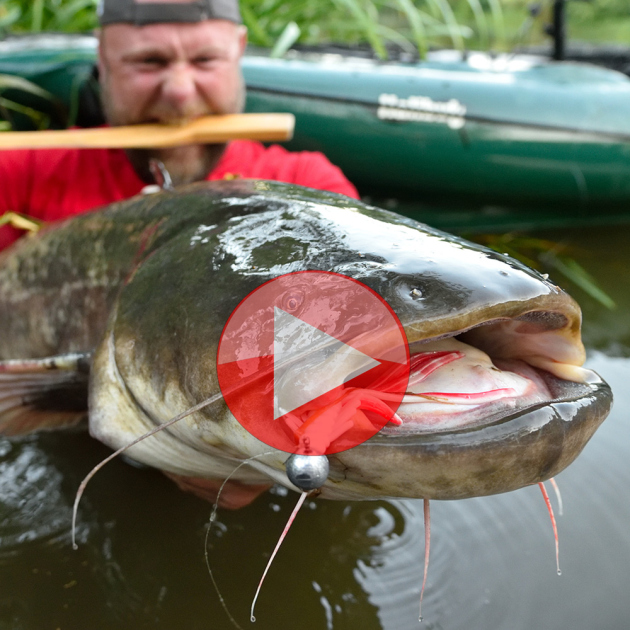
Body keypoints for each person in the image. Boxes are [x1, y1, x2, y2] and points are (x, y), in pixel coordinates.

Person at [0, 0, 359, 250]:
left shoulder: (307, 189)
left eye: (205, 60)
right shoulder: (20, 173)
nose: (180, 94)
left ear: (239, 51)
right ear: (104, 60)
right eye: (149, 61)